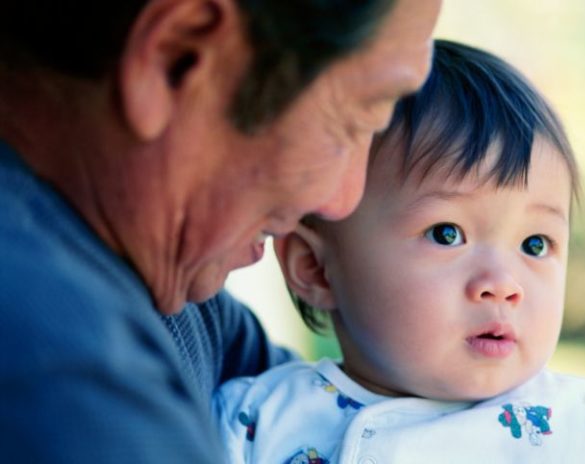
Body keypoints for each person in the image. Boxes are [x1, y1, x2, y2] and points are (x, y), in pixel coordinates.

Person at [0, 0, 441, 462]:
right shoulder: (60, 374)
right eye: (358, 120)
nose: (342, 200)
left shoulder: (184, 308)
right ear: (178, 58)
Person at [214, 40, 585, 462]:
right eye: (446, 233)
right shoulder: (253, 421)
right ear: (315, 268)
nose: (503, 284)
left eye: (535, 244)